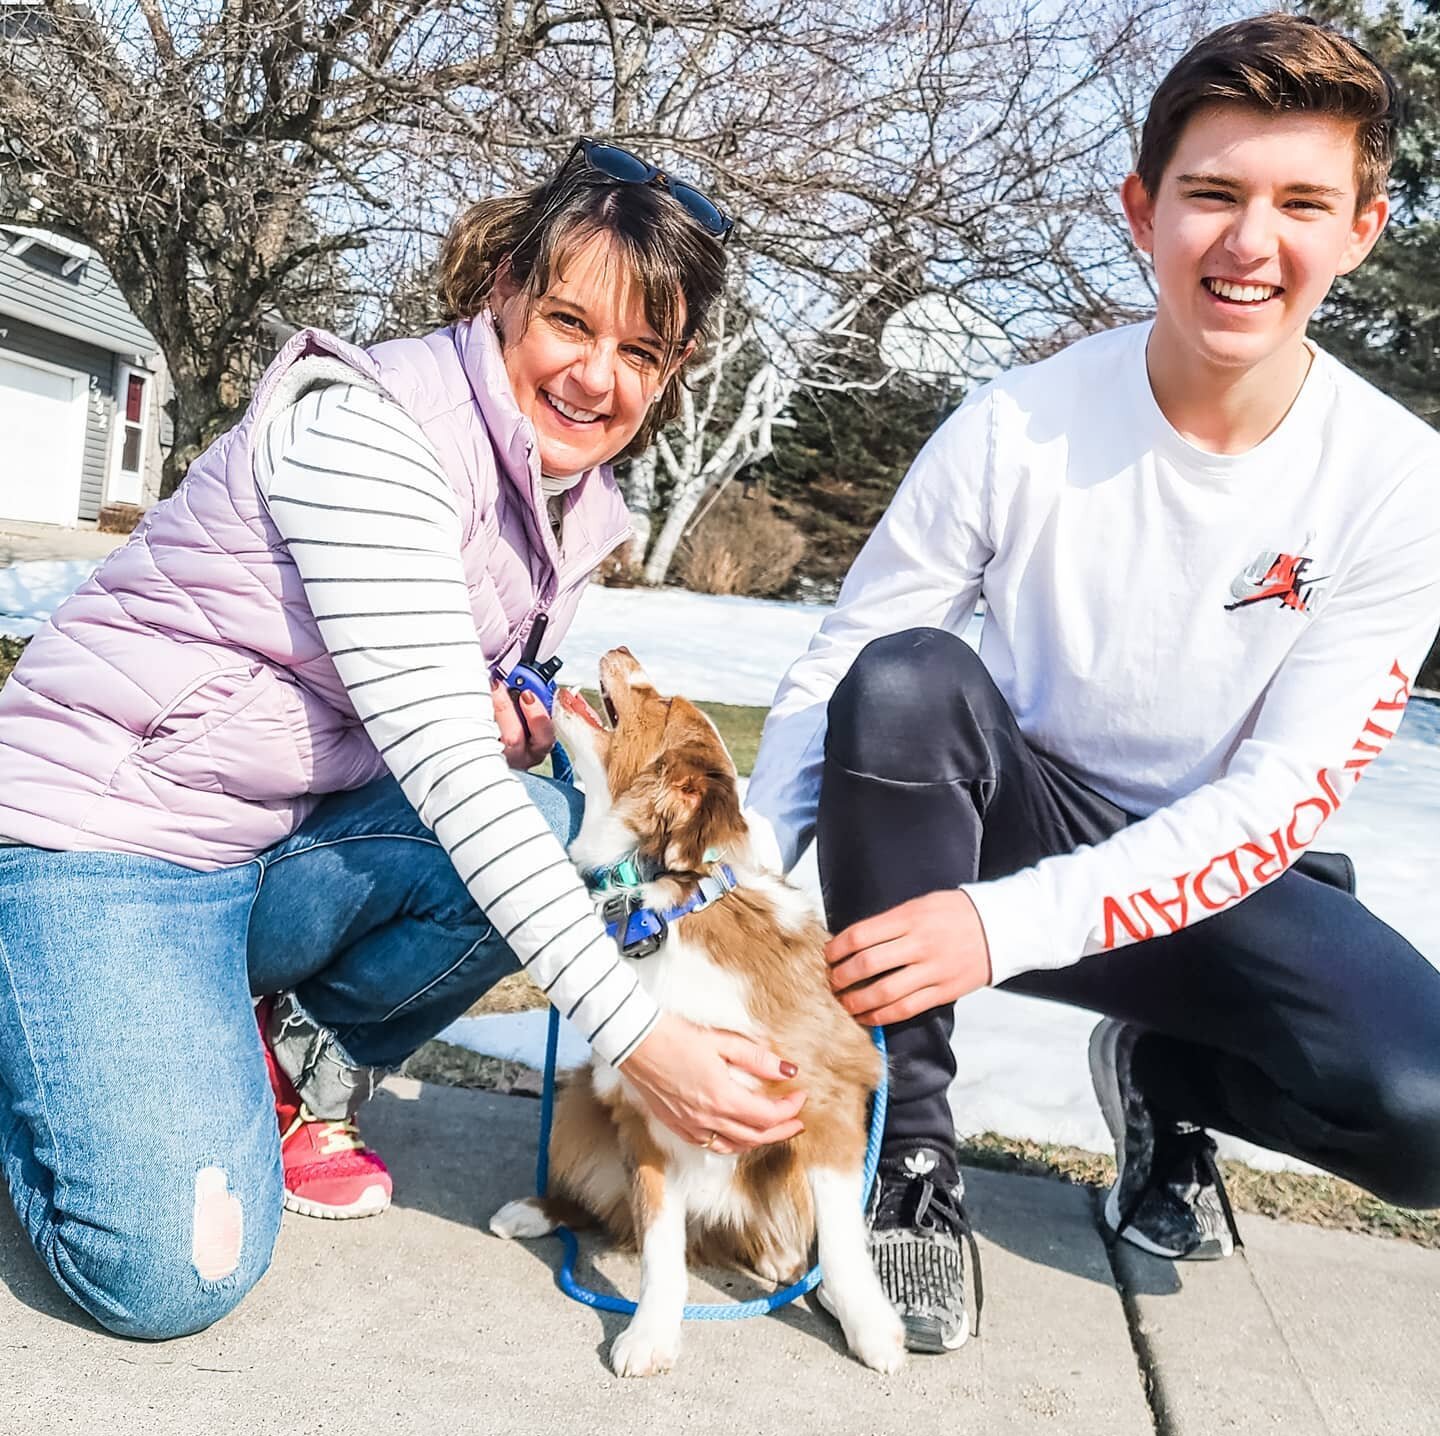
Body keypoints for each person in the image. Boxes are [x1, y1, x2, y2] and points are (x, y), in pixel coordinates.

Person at [0, 140, 808, 1340]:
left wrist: (506, 705)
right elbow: (441, 767)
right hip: (104, 835)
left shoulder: (562, 497)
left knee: (544, 819)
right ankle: (45, 1017)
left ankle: (272, 1060)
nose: (597, 376)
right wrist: (640, 1039)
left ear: (674, 368)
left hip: (261, 847)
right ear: (504, 293)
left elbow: (427, 705)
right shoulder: (370, 433)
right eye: (570, 322)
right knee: (172, 1272)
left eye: (641, 351)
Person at [746, 13, 1440, 1355]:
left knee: (1424, 1114)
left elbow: (1285, 791)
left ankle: (1165, 1072)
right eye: (1214, 194)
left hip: (1226, 867)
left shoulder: (1402, 487)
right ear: (1143, 209)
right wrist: (764, 882)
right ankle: (912, 1159)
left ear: (1363, 226)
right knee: (902, 685)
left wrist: (1005, 931)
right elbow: (844, 656)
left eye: (1301, 201)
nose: (1251, 241)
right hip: (1004, 823)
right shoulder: (1016, 422)